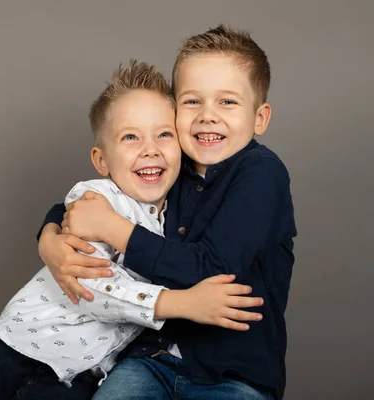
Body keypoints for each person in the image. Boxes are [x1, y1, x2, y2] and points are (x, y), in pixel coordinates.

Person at [0, 59, 263, 400]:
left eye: (164, 135)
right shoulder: (93, 200)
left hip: (83, 374)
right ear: (101, 160)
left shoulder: (178, 222)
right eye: (130, 138)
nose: (150, 150)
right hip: (16, 344)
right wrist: (180, 303)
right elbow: (92, 286)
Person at [38, 25, 297, 400]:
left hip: (234, 373)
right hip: (148, 360)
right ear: (174, 109)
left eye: (227, 102)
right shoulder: (169, 166)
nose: (208, 116)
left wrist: (117, 230)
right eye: (192, 102)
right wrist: (49, 236)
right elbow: (93, 201)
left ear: (260, 118)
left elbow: (213, 267)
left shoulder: (262, 173)